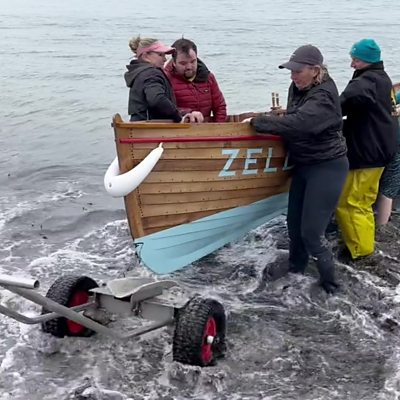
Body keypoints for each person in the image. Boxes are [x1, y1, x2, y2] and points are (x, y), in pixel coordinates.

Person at [245, 45, 348, 294]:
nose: (293, 76)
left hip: (327, 167)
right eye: (291, 71)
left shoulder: (324, 96)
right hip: (303, 164)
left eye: (298, 71)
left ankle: (331, 285)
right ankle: (296, 270)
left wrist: (259, 122)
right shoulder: (298, 86)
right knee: (293, 225)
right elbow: (293, 116)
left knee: (312, 233)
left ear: (315, 71)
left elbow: (300, 124)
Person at [335, 39, 398, 260]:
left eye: (356, 60)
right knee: (362, 202)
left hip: (367, 152)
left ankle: (362, 253)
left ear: (369, 60)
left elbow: (338, 106)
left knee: (351, 202)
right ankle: (362, 243)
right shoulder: (381, 78)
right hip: (379, 149)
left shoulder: (365, 82)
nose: (352, 64)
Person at [124, 35, 203, 123]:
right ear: (146, 56)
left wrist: (183, 113)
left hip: (138, 124)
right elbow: (157, 100)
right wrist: (179, 117)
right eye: (160, 55)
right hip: (151, 127)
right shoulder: (151, 73)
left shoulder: (139, 73)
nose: (165, 59)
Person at [164, 38, 227, 122]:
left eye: (193, 61)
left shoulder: (208, 77)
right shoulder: (165, 79)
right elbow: (163, 108)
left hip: (206, 127)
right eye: (183, 63)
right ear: (174, 63)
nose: (189, 67)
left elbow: (220, 106)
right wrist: (188, 113)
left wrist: (218, 127)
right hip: (180, 126)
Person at [375, 90, 400, 226]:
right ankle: (382, 224)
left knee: (387, 189)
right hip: (392, 144)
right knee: (389, 188)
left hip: (390, 142)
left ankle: (381, 224)